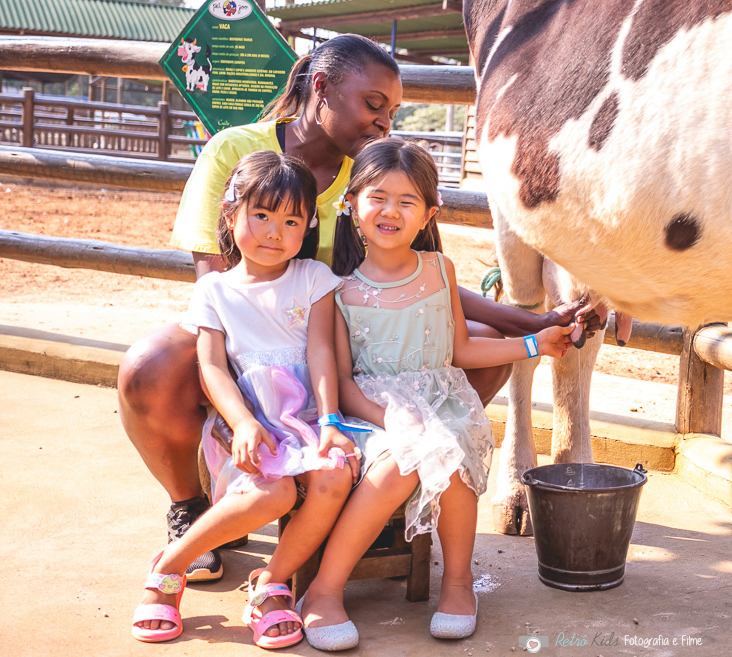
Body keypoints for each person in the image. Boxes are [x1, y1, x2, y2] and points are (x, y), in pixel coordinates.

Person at [117, 34, 579, 584]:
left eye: (392, 113)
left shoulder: (371, 181)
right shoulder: (234, 151)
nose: (384, 124)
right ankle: (191, 507)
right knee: (149, 367)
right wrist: (247, 393)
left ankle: (386, 489)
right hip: (249, 338)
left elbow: (428, 285)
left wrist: (535, 322)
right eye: (373, 104)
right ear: (321, 87)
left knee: (477, 354)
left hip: (337, 343)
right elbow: (215, 282)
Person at [288, 140, 572, 650]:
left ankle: (459, 586)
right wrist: (389, 415)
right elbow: (344, 380)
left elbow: (460, 350)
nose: (390, 211)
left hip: (444, 402)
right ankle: (324, 591)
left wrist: (535, 342)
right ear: (350, 204)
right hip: (374, 412)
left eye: (407, 201)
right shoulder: (339, 290)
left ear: (428, 214)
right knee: (403, 459)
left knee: (454, 450)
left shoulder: (440, 271)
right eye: (377, 197)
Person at [132, 152, 358, 648]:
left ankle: (271, 583)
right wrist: (243, 423)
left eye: (291, 219)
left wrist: (331, 420)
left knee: (335, 472)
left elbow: (322, 353)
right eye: (262, 215)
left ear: (308, 228)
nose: (275, 231)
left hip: (309, 415)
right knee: (273, 492)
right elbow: (211, 366)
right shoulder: (213, 290)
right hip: (248, 420)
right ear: (231, 214)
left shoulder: (314, 280)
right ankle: (170, 567)